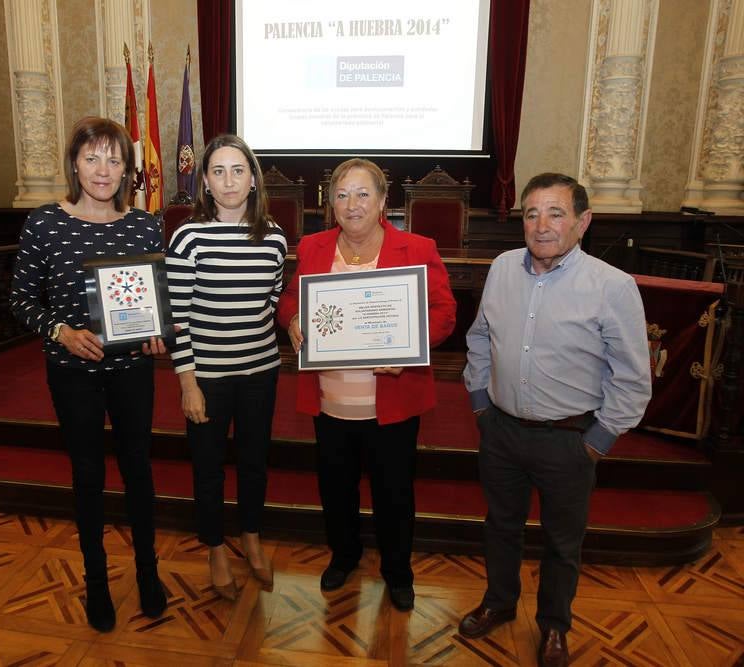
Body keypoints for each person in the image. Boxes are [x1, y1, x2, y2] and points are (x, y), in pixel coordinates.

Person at [459, 173, 652, 666]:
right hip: (499, 431)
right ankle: (499, 604)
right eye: (531, 213)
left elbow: (632, 377)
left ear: (583, 222)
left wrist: (595, 442)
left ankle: (554, 627)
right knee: (501, 526)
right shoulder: (502, 268)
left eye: (556, 213)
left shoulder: (613, 286)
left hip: (569, 441)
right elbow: (480, 337)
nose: (542, 225)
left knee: (563, 544)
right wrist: (481, 402)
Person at [276, 158, 457, 611]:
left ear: (382, 201)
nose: (351, 204)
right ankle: (345, 556)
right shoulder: (315, 247)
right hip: (331, 401)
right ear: (330, 203)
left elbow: (445, 312)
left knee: (394, 492)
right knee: (335, 489)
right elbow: (291, 297)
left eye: (362, 194)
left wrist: (408, 346)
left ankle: (398, 571)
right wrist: (294, 317)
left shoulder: (416, 248)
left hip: (390, 402)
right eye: (342, 194)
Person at [10, 117, 168, 633]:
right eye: (92, 157)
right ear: (75, 163)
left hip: (132, 371)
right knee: (88, 477)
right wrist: (59, 331)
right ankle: (96, 583)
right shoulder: (45, 223)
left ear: (128, 169)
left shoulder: (145, 224)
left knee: (139, 473)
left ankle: (148, 574)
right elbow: (20, 300)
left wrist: (156, 332)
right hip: (72, 373)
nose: (103, 170)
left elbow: (155, 303)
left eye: (114, 159)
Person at [166, 134, 286, 602]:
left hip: (261, 372)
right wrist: (188, 385)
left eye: (238, 170)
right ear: (206, 183)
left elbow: (271, 301)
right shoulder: (188, 236)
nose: (229, 180)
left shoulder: (273, 235)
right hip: (207, 380)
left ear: (253, 179)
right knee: (209, 468)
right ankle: (216, 548)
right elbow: (178, 318)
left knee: (255, 462)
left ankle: (251, 537)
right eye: (218, 171)